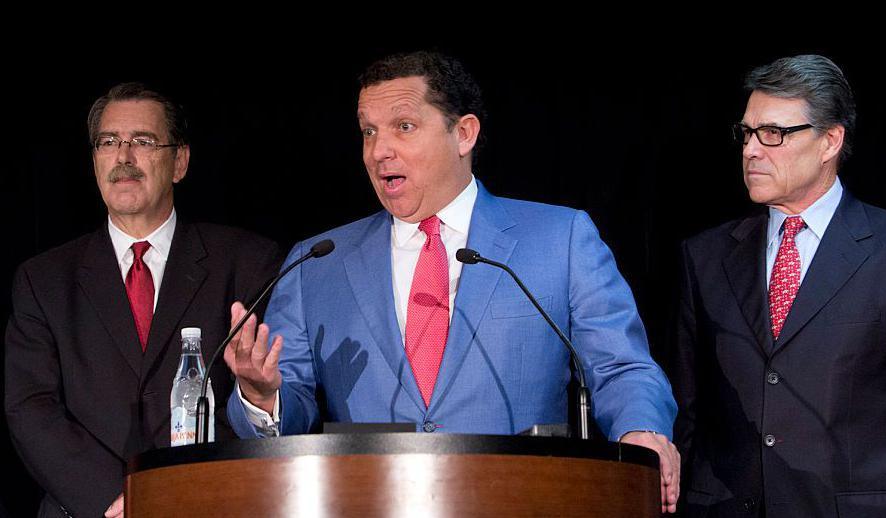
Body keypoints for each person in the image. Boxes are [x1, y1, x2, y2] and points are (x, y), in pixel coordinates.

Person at [225, 50, 680, 513]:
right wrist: (263, 397)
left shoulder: (559, 239)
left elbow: (621, 368)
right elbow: (291, 408)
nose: (379, 150)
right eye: (368, 131)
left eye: (403, 126)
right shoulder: (317, 262)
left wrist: (641, 432)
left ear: (464, 133)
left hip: (525, 501)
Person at [4, 83, 282, 518]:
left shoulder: (246, 263)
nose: (123, 157)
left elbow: (253, 400)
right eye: (109, 142)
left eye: (143, 141)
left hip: (206, 504)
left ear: (180, 162)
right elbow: (31, 408)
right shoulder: (43, 280)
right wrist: (117, 500)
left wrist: (179, 491)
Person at [673, 54, 886, 517]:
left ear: (830, 141)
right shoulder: (703, 257)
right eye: (746, 133)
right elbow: (689, 412)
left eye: (774, 134)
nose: (750, 150)